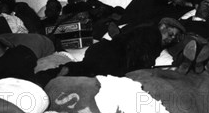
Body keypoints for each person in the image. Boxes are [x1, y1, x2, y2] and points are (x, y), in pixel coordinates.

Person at [57, 17, 186, 77]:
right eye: (170, 34)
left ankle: (65, 69)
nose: (171, 39)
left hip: (103, 50)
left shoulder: (147, 31)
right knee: (93, 73)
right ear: (162, 27)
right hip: (112, 56)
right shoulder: (153, 34)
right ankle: (68, 69)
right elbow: (142, 56)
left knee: (86, 70)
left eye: (174, 38)